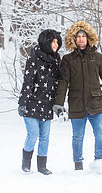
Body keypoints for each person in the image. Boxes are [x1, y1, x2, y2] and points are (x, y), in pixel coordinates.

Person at [53, 21, 102, 171]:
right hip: (77, 103)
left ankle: (99, 162)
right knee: (78, 137)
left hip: (96, 102)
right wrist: (59, 103)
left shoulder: (97, 57)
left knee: (100, 134)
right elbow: (63, 83)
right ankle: (78, 164)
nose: (80, 39)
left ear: (88, 38)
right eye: (78, 36)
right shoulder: (67, 60)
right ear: (74, 39)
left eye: (83, 36)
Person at [18, 29, 64, 175]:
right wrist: (22, 102)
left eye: (57, 42)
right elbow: (28, 81)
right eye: (53, 41)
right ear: (46, 41)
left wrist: (58, 104)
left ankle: (42, 167)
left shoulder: (56, 59)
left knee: (45, 138)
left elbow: (58, 84)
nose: (55, 44)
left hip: (47, 103)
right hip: (32, 102)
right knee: (33, 135)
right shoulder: (34, 57)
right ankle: (26, 162)